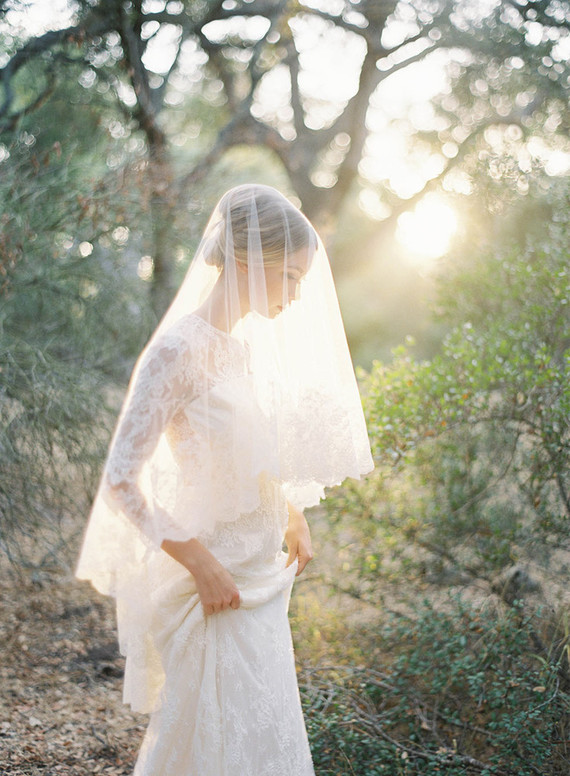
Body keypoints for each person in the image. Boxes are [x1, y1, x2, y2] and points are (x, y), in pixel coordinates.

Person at [76, 184, 373, 775]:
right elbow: (120, 481)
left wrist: (292, 512)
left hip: (263, 579)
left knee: (266, 743)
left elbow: (249, 452)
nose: (296, 293)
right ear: (246, 261)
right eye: (288, 276)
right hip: (212, 587)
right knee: (212, 746)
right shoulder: (176, 351)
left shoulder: (239, 350)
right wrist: (200, 562)